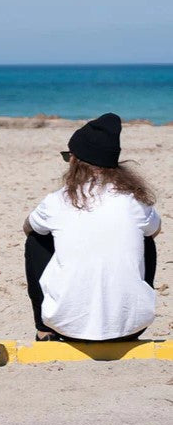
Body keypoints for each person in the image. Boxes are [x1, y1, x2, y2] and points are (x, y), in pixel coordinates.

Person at [23, 112, 161, 342]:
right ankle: (126, 311)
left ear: (76, 162)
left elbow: (28, 227)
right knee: (145, 237)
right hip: (131, 328)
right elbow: (155, 230)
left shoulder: (57, 200)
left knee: (37, 239)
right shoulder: (135, 201)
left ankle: (43, 328)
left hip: (65, 326)